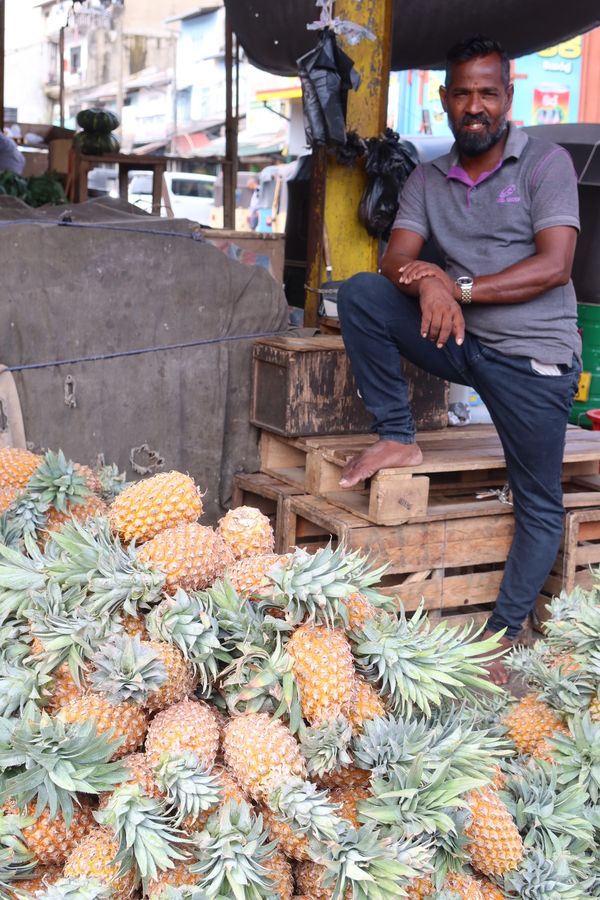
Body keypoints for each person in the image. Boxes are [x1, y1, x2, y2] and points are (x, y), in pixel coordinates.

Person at [337, 35, 581, 685]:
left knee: (538, 500)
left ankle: (502, 635)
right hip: (463, 342)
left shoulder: (545, 165)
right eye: (464, 93)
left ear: (508, 97)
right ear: (445, 100)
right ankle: (398, 436)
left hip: (532, 358)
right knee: (362, 295)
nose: (476, 106)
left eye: (488, 93)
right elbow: (395, 258)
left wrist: (456, 287)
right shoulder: (428, 177)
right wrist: (429, 285)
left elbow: (555, 266)